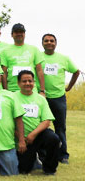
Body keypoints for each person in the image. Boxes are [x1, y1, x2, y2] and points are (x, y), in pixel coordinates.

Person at [40, 33, 80, 164]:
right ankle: (42, 154)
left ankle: (63, 155)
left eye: (52, 41)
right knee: (41, 127)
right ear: (42, 43)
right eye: (46, 41)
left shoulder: (63, 58)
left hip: (59, 98)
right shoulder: (38, 57)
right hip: (42, 97)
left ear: (55, 43)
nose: (49, 43)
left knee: (60, 127)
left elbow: (76, 71)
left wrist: (69, 87)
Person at [14, 70, 59, 175]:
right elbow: (8, 121)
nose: (27, 83)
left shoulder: (40, 99)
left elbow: (46, 121)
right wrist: (21, 138)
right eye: (24, 81)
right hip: (20, 139)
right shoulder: (12, 98)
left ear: (34, 82)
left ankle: (49, 168)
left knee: (53, 138)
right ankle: (35, 159)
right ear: (18, 83)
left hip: (38, 134)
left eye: (30, 81)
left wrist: (32, 135)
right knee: (24, 170)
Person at [0, 23, 45, 92]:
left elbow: (39, 70)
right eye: (16, 32)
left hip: (31, 89)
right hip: (13, 89)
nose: (19, 34)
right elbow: (4, 73)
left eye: (21, 32)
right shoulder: (5, 51)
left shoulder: (34, 49)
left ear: (24, 34)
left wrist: (42, 90)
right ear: (12, 35)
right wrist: (5, 90)